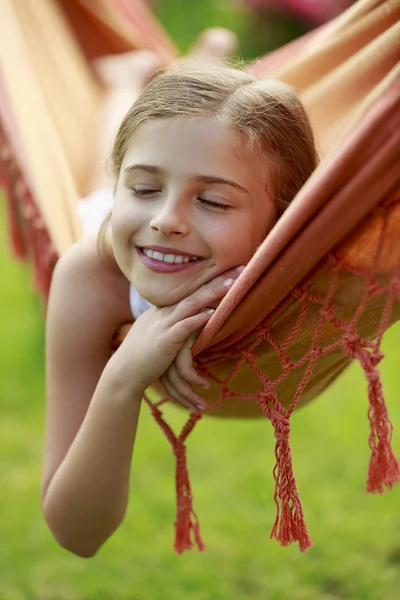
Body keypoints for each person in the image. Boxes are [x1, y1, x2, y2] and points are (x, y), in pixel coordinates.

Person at [41, 60, 318, 558]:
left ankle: (192, 60)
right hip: (104, 230)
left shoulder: (305, 262)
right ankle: (123, 82)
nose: (167, 220)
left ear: (283, 221)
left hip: (145, 236)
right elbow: (74, 533)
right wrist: (122, 378)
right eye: (144, 189)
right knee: (94, 186)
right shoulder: (89, 278)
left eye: (213, 201)